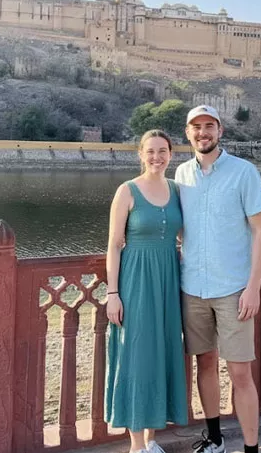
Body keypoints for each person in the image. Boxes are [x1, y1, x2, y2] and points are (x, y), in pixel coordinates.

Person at [174, 105, 261, 453]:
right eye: (196, 127)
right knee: (205, 363)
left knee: (240, 373)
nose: (203, 133)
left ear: (220, 131)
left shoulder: (244, 173)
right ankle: (214, 438)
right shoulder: (182, 174)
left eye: (209, 126)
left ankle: (251, 448)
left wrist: (253, 288)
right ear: (188, 133)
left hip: (233, 289)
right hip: (193, 288)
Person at [105, 129, 188, 453]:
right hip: (136, 280)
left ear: (171, 154)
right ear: (141, 154)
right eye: (150, 151)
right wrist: (113, 293)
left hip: (168, 279)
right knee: (137, 355)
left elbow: (187, 233)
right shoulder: (127, 191)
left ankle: (152, 440)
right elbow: (113, 245)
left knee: (162, 353)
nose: (157, 157)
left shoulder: (176, 189)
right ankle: (136, 445)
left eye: (163, 151)